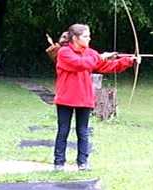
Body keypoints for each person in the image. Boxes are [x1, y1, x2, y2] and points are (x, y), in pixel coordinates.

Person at [53, 23, 139, 171]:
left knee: (83, 131)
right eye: (85, 36)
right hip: (66, 97)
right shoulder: (64, 52)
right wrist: (99, 57)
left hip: (84, 98)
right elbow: (80, 64)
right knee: (63, 130)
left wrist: (128, 61)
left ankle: (83, 163)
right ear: (75, 38)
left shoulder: (90, 53)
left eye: (89, 36)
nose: (89, 38)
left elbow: (105, 66)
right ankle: (59, 163)